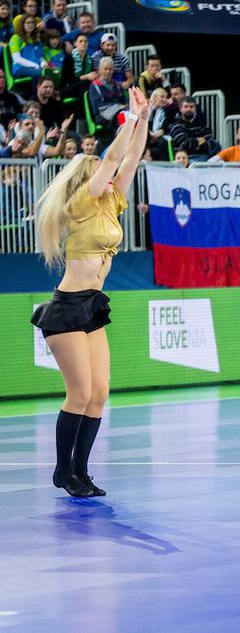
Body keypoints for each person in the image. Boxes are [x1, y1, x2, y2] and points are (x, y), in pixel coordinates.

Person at [30, 89, 149, 498]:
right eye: (101, 171)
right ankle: (63, 469)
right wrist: (127, 121)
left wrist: (145, 118)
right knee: (79, 393)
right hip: (66, 309)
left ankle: (81, 471)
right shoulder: (82, 203)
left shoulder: (110, 204)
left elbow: (130, 160)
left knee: (99, 394)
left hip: (93, 307)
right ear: (88, 178)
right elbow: (115, 157)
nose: (109, 175)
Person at [170, 96, 221, 161]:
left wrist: (194, 143)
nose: (188, 109)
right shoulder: (176, 126)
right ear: (180, 109)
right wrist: (202, 140)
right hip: (187, 159)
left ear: (195, 109)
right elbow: (185, 144)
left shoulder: (201, 125)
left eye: (191, 107)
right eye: (186, 107)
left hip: (205, 156)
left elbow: (212, 143)